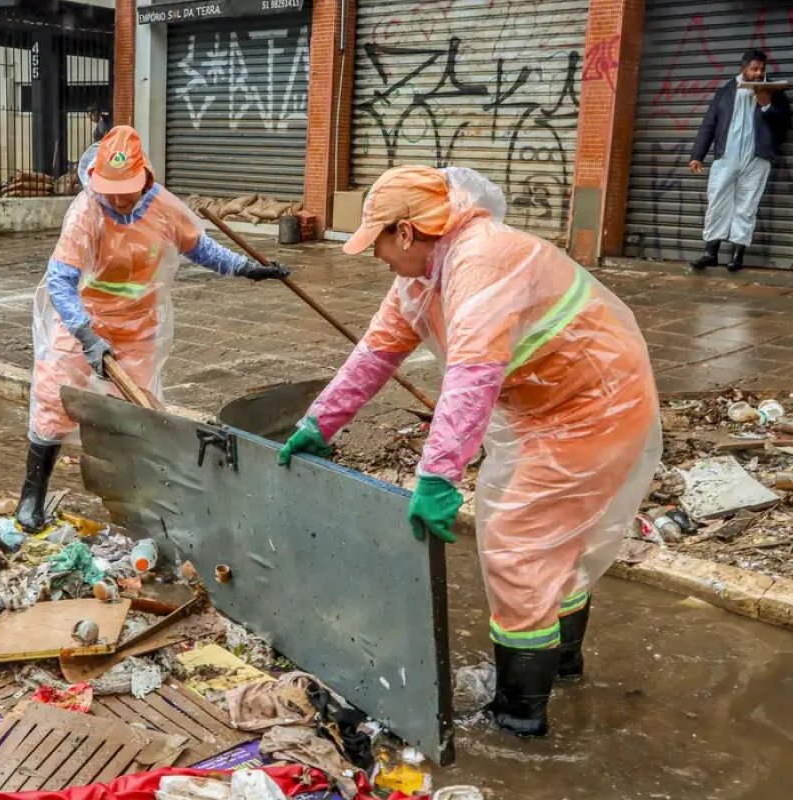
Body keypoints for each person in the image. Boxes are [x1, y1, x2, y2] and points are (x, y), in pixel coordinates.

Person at [278, 166, 662, 737]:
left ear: (405, 233)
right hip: (545, 412)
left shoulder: (483, 260)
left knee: (517, 549)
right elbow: (375, 354)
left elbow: (473, 377)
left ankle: (519, 716)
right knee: (547, 545)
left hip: (594, 410)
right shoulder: (421, 276)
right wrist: (320, 423)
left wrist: (436, 476)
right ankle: (559, 667)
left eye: (378, 242)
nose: (377, 257)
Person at [15, 125, 289, 532]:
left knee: (134, 413)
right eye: (111, 187)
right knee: (53, 404)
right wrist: (87, 336)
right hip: (82, 323)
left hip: (137, 326)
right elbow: (60, 281)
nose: (119, 196)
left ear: (144, 179)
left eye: (126, 187)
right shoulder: (86, 212)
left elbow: (200, 247)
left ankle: (137, 507)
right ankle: (30, 498)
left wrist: (246, 268)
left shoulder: (161, 206)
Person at [689, 49, 790, 272]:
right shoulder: (725, 92)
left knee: (747, 206)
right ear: (742, 69)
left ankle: (737, 255)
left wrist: (766, 105)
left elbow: (784, 123)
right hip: (727, 157)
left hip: (756, 158)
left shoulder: (773, 92)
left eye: (762, 69)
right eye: (754, 69)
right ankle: (710, 252)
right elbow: (709, 123)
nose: (758, 73)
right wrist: (697, 155)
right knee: (717, 202)